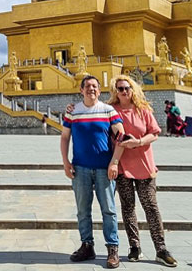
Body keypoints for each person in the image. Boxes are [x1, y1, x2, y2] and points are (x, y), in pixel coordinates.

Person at [109, 76, 178, 266]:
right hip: (122, 165)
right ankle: (134, 246)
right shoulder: (111, 111)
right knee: (128, 207)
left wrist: (138, 142)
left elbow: (154, 133)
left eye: (127, 88)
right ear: (115, 91)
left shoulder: (143, 110)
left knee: (151, 207)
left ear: (133, 89)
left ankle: (161, 249)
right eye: (120, 88)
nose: (124, 91)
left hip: (144, 164)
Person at [61, 75, 125, 269]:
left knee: (109, 210)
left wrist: (114, 162)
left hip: (104, 168)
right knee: (82, 210)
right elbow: (65, 138)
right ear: (81, 90)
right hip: (80, 168)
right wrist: (65, 162)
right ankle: (87, 245)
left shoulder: (108, 110)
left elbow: (122, 136)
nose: (91, 89)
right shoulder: (73, 112)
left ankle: (112, 248)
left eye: (95, 86)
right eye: (87, 86)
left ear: (100, 90)